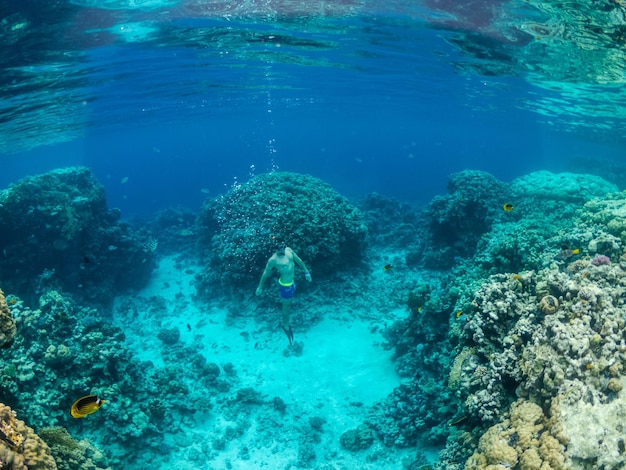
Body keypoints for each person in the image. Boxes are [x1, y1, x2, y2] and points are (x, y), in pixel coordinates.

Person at [255, 242, 312, 345]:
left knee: (289, 305)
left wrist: (306, 272)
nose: (281, 251)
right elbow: (265, 273)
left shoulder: (289, 251)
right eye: (279, 249)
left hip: (292, 283)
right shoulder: (273, 260)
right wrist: (260, 287)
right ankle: (285, 326)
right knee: (287, 306)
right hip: (285, 286)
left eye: (283, 248)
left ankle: (286, 325)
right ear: (275, 250)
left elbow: (299, 260)